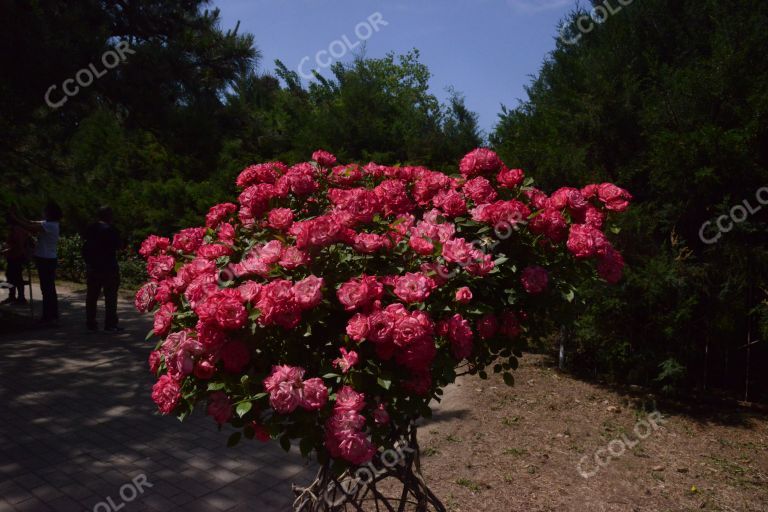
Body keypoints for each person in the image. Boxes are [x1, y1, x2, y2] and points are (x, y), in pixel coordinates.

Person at [11, 202, 62, 324]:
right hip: (48, 258)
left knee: (47, 289)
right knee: (49, 288)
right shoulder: (49, 224)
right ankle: (52, 315)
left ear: (49, 213)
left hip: (46, 259)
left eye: (45, 211)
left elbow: (29, 228)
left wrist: (15, 218)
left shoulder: (50, 226)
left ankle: (48, 316)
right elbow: (30, 222)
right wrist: (18, 213)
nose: (43, 213)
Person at [82, 205, 123, 331]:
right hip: (109, 266)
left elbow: (85, 246)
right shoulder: (111, 230)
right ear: (109, 216)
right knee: (110, 297)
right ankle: (110, 324)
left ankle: (91, 323)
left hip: (93, 266)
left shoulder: (90, 228)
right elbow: (119, 245)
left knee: (92, 296)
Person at [2, 212, 32, 305]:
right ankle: (13, 296)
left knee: (16, 278)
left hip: (16, 256)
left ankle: (20, 298)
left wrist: (5, 250)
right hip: (16, 256)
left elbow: (17, 244)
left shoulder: (16, 229)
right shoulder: (20, 229)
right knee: (11, 277)